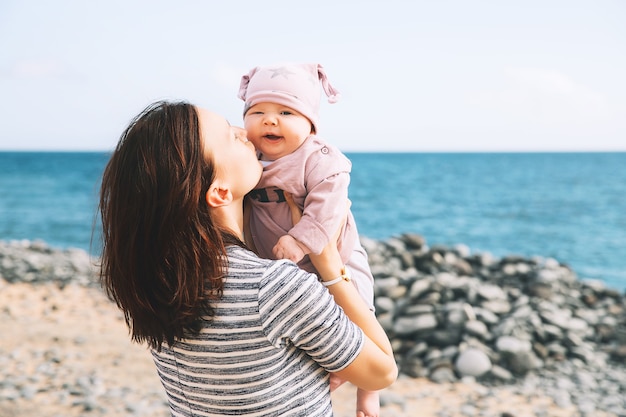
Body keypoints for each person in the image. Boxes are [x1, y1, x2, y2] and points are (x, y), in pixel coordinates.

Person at [98, 100, 397, 417]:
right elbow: (382, 372)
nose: (245, 132)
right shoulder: (272, 288)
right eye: (230, 135)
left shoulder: (157, 282)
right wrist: (329, 264)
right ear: (220, 192)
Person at [238, 63, 380, 416]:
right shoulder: (246, 155)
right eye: (257, 112)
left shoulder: (318, 158)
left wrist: (300, 241)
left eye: (286, 112)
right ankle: (322, 373)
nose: (270, 121)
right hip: (276, 259)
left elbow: (330, 205)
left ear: (310, 123)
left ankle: (369, 390)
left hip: (335, 251)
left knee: (359, 307)